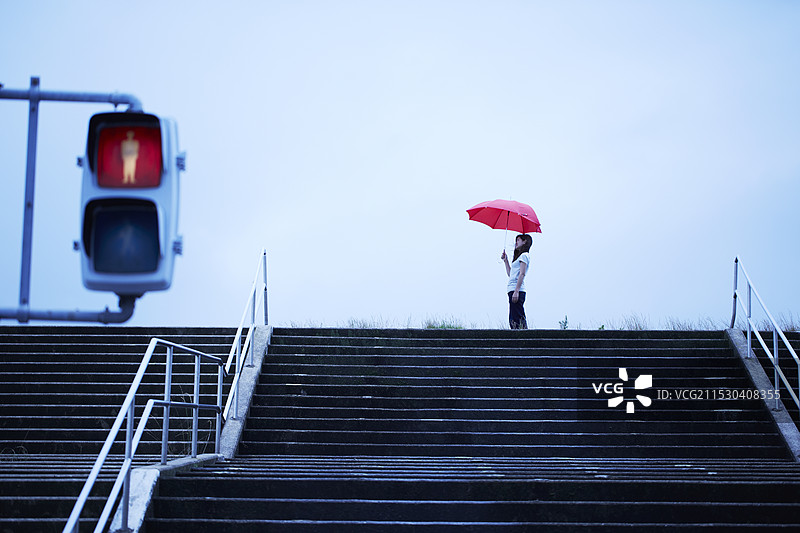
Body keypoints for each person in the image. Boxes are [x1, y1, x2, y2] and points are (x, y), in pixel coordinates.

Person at [501, 234, 533, 329]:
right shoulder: (518, 257)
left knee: (518, 317)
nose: (516, 242)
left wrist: (516, 291)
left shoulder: (524, 255)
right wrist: (505, 260)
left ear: (525, 241)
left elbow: (522, 273)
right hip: (512, 289)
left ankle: (525, 338)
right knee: (513, 317)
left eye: (518, 240)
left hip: (517, 289)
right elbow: (511, 274)